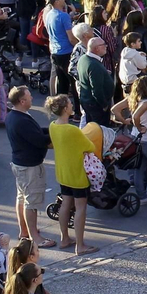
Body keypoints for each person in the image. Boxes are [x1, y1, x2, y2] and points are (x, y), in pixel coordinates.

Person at [46, 95, 99, 255]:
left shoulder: (53, 126)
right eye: (69, 103)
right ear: (65, 109)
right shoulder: (72, 130)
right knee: (80, 207)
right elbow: (89, 146)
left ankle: (64, 238)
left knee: (65, 204)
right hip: (77, 174)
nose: (72, 105)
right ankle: (80, 245)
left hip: (63, 173)